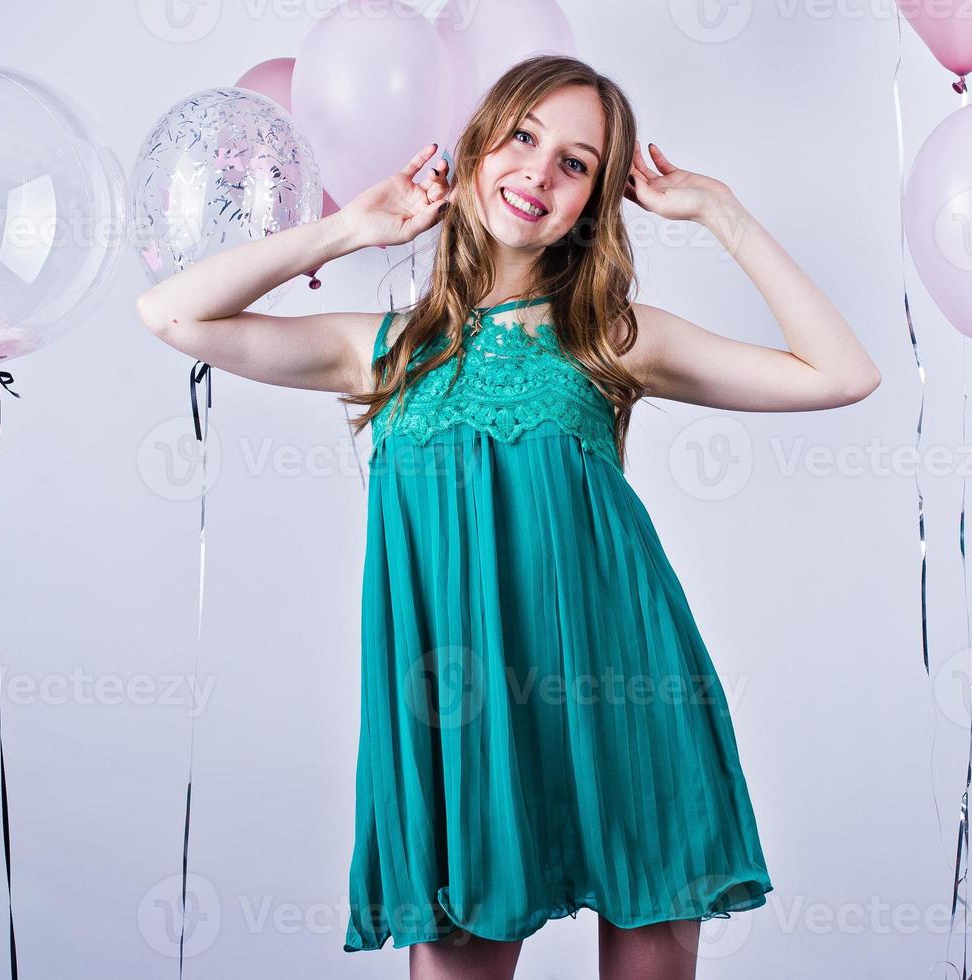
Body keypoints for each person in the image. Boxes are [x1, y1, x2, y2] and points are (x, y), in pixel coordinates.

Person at [137, 53, 879, 980]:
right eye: (523, 138)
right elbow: (172, 314)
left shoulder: (613, 337)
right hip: (459, 723)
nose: (538, 171)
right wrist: (347, 229)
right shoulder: (381, 352)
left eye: (575, 163)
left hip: (625, 693)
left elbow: (842, 375)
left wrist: (721, 214)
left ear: (593, 203)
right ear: (479, 145)